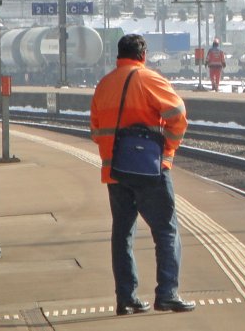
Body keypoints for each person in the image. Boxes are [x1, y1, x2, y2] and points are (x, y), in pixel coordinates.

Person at [89, 34, 195, 315]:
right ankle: (167, 293)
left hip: (115, 171)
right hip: (149, 169)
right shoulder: (149, 79)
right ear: (143, 55)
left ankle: (126, 298)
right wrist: (167, 150)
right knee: (166, 230)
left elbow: (96, 130)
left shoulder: (104, 85)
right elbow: (178, 115)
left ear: (118, 54)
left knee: (122, 233)